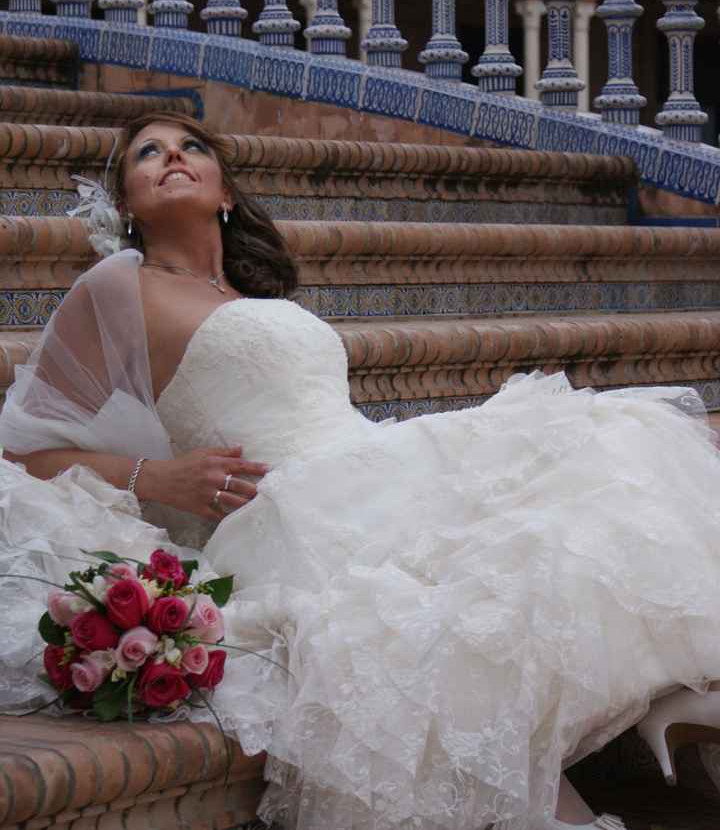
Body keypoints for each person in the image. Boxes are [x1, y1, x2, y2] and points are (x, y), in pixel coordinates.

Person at [2, 110, 720, 830]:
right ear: (125, 204)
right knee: (432, 626)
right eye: (147, 154)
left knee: (608, 447)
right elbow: (27, 451)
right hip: (295, 512)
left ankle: (679, 701)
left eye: (191, 146)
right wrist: (152, 479)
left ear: (225, 193)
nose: (172, 157)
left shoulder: (253, 298)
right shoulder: (118, 284)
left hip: (366, 469)